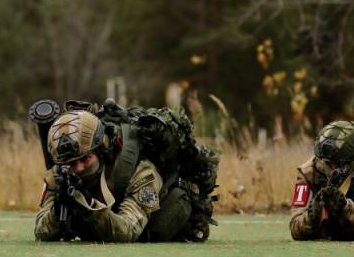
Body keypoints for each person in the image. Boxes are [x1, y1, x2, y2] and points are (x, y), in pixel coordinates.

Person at [33, 99, 218, 242]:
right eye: (71, 163)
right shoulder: (60, 173)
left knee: (154, 233)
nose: (79, 168)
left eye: (85, 159)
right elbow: (41, 230)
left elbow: (128, 231)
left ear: (102, 149)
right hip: (110, 212)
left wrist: (89, 207)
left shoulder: (141, 170)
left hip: (159, 209)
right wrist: (57, 211)